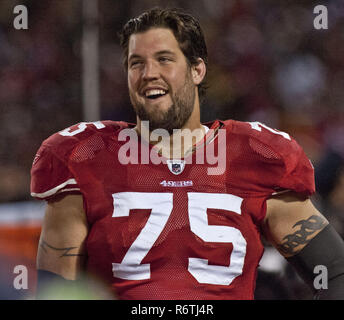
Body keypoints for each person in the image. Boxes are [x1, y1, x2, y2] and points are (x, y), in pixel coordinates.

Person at [31, 8, 344, 300]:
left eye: (164, 59)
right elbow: (57, 290)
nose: (148, 73)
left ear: (197, 70)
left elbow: (335, 272)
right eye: (136, 62)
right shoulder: (82, 156)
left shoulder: (256, 155)